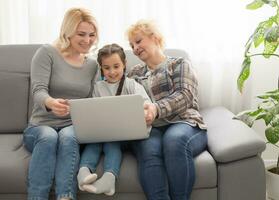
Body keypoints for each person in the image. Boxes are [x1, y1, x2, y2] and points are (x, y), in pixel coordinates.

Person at [126, 20, 208, 200]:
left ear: (154, 38)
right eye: (132, 45)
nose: (135, 48)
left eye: (138, 41)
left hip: (184, 122)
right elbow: (125, 103)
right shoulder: (134, 74)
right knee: (148, 149)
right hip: (150, 128)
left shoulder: (179, 64)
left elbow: (186, 96)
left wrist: (156, 108)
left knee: (174, 140)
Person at [23, 8, 99, 200]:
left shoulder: (92, 66)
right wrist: (50, 102)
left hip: (72, 126)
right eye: (81, 34)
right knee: (49, 136)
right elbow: (38, 90)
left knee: (68, 136)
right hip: (41, 126)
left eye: (92, 35)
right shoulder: (47, 53)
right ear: (68, 31)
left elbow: (93, 99)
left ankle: (65, 196)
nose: (87, 40)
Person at [77, 43, 151, 196]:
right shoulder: (98, 87)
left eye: (116, 66)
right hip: (102, 132)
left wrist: (144, 110)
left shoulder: (132, 85)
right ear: (101, 68)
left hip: (125, 134)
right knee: (93, 143)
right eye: (107, 67)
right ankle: (83, 172)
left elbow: (146, 105)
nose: (112, 72)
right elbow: (91, 111)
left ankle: (109, 178)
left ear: (124, 64)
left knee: (112, 144)